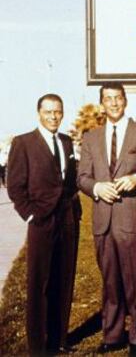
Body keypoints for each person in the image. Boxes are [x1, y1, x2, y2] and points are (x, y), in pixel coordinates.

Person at [77, 83, 136, 356]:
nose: (113, 103)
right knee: (110, 281)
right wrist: (97, 188)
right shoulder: (90, 138)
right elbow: (82, 177)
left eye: (118, 98)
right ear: (102, 103)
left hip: (132, 219)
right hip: (103, 220)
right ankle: (112, 335)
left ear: (125, 101)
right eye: (108, 99)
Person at [7, 93, 81, 355]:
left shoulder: (67, 142)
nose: (53, 117)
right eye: (48, 112)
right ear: (39, 113)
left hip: (67, 222)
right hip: (41, 222)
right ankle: (38, 346)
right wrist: (29, 214)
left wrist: (75, 212)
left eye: (57, 112)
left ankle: (59, 340)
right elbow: (15, 186)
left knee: (64, 280)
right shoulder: (23, 143)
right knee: (40, 284)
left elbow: (69, 182)